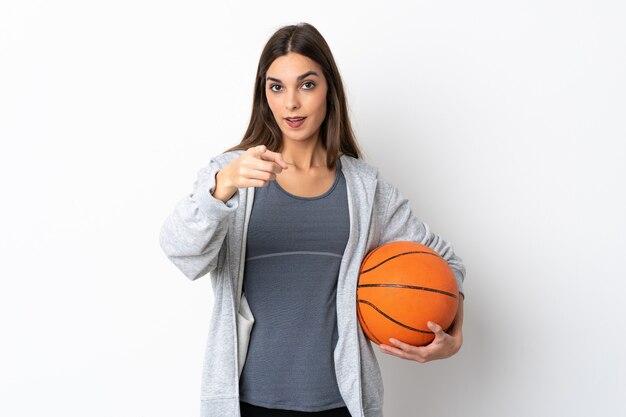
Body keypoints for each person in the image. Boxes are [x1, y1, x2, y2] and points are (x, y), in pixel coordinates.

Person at [159, 22, 466, 417]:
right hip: (247, 403)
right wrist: (222, 187)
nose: (291, 103)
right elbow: (180, 251)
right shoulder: (233, 173)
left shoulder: (365, 189)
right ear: (263, 95)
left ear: (329, 90)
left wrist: (455, 335)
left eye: (306, 85)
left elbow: (447, 264)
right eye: (276, 87)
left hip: (342, 403)